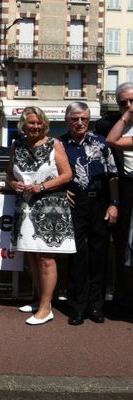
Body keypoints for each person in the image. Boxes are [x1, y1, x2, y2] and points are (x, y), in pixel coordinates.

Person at [6, 106, 75, 326]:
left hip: (50, 207)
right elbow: (9, 174)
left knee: (46, 258)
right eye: (31, 123)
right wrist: (13, 183)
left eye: (38, 123)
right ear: (23, 125)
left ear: (44, 124)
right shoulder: (16, 146)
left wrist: (42, 187)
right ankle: (39, 300)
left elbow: (67, 175)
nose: (35, 126)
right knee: (32, 257)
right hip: (25, 206)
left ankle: (47, 308)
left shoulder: (55, 144)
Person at [60, 102, 119, 326]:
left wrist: (114, 204)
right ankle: (77, 307)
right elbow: (52, 173)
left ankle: (96, 305)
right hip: (74, 203)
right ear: (67, 120)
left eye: (84, 118)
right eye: (75, 118)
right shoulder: (59, 145)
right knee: (77, 257)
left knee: (99, 255)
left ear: (89, 120)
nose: (79, 122)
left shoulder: (101, 143)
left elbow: (113, 175)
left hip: (100, 202)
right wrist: (60, 190)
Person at [105, 81, 133, 315]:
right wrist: (125, 119)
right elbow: (110, 142)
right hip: (124, 188)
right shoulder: (108, 125)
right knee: (122, 243)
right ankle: (122, 298)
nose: (129, 105)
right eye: (123, 102)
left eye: (132, 101)